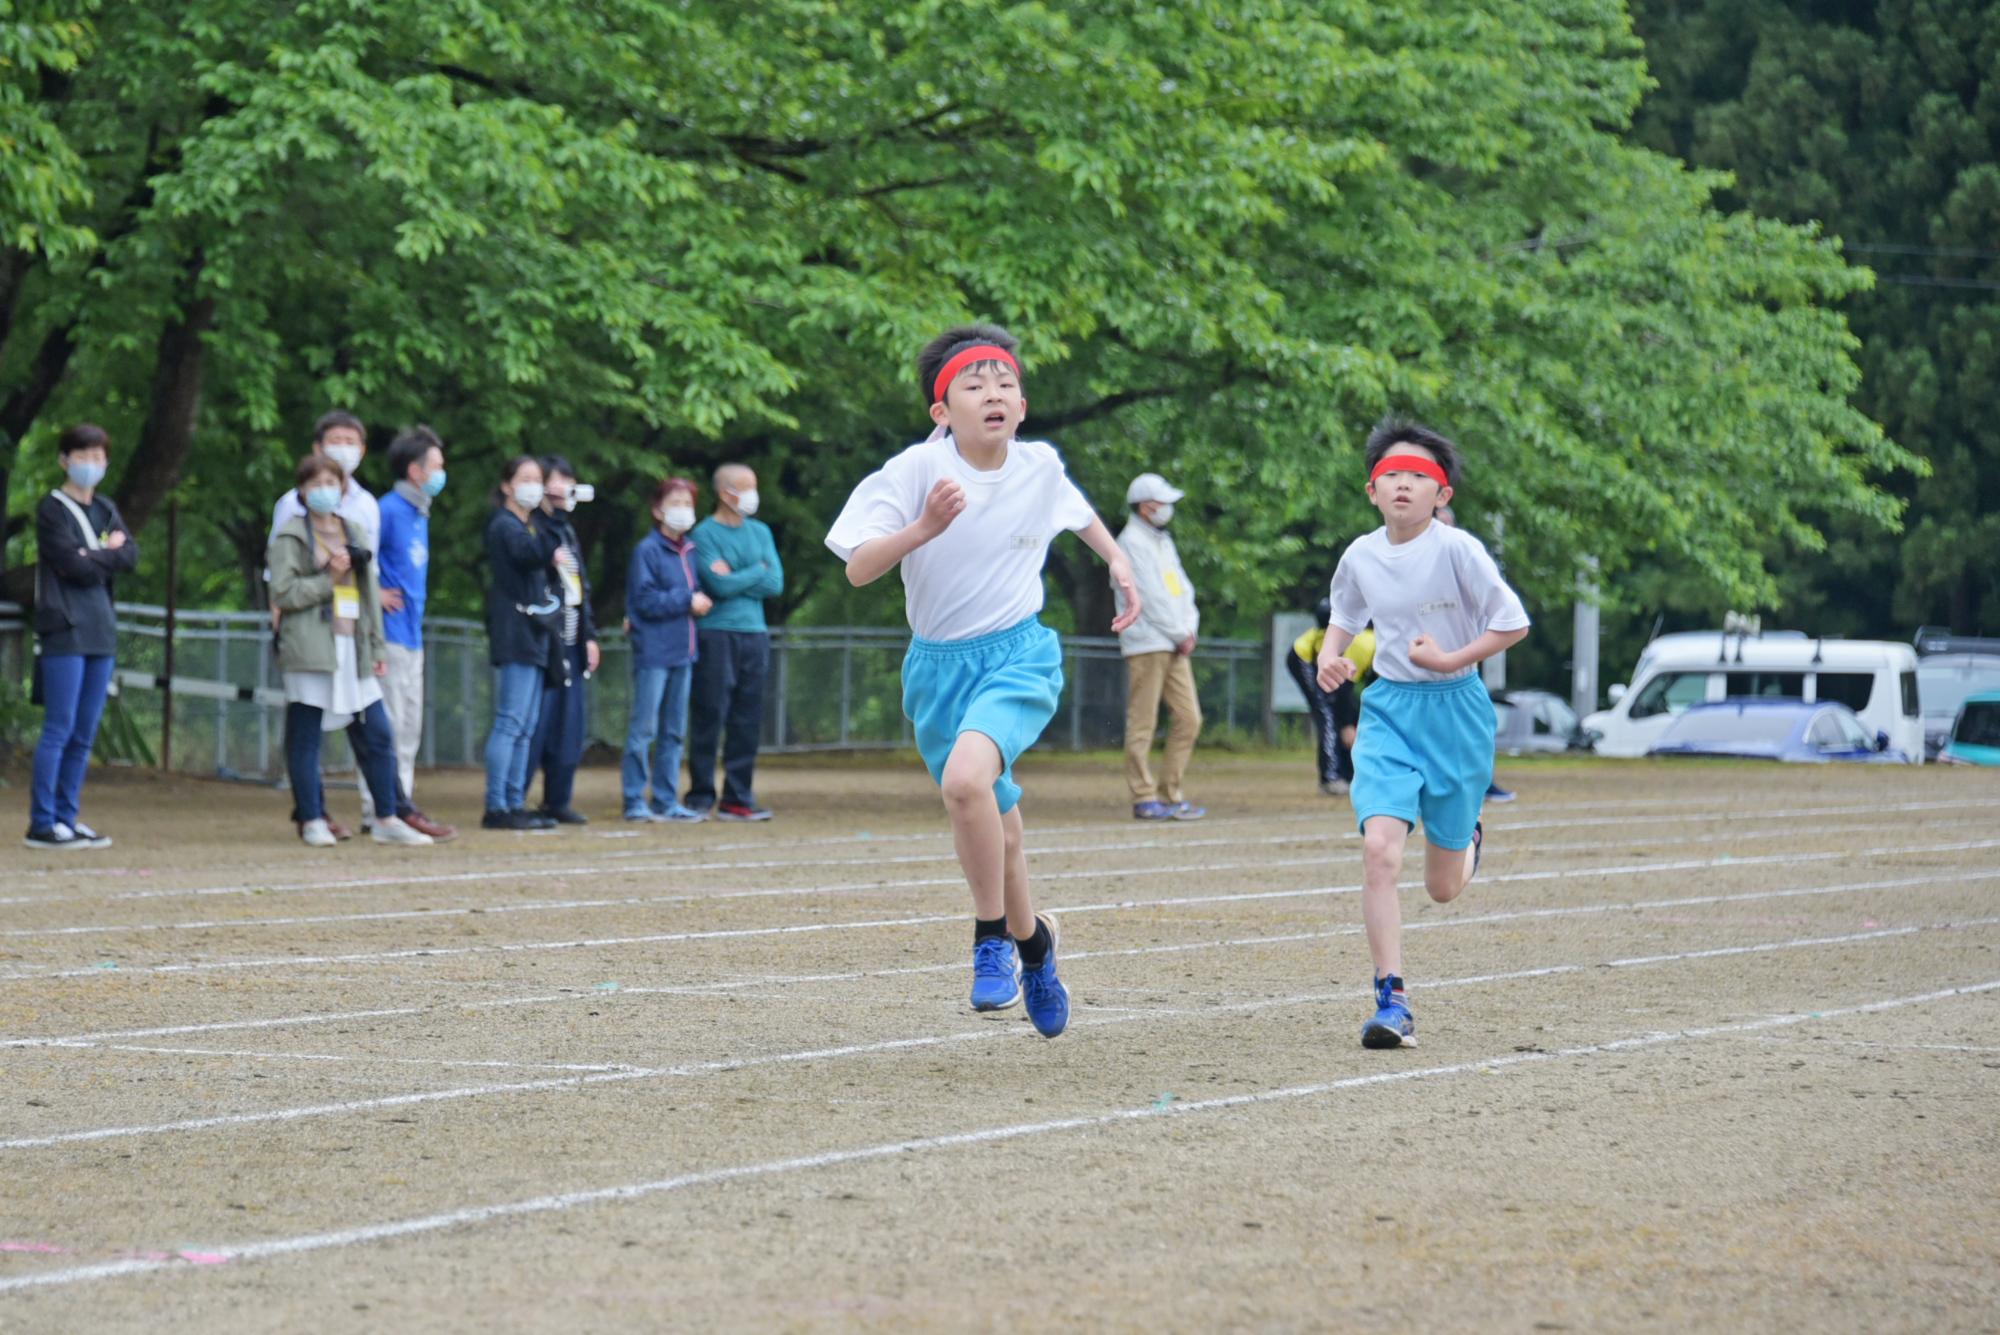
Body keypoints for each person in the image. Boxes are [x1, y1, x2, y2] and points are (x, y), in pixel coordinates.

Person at [825, 323, 1143, 1039]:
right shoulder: (912, 472)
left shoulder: (1040, 467)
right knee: (1002, 829)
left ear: (1022, 406)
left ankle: (990, 937)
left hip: (1019, 656)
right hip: (937, 670)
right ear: (942, 412)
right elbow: (857, 566)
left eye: (1005, 384)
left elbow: (1082, 514)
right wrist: (922, 529)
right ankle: (1037, 948)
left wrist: (1119, 562)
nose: (992, 394)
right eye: (974, 385)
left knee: (966, 781)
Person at [1317, 418, 1529, 1049]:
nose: (1403, 485)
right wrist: (1334, 655)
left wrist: (1449, 658)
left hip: (1457, 712)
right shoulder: (1360, 554)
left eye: (1420, 477)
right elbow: (1346, 616)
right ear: (1371, 491)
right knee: (1380, 849)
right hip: (1388, 712)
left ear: (1443, 496)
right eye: (1391, 476)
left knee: (1441, 889)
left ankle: (1467, 838)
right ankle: (1392, 1000)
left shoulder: (1458, 550)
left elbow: (1512, 623)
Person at [270, 412, 450, 843]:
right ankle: (312, 817)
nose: (326, 492)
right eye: (316, 485)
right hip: (311, 640)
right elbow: (282, 589)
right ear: (302, 489)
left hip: (354, 641)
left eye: (332, 485)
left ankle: (388, 816)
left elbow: (369, 590)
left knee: (378, 732)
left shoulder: (359, 519)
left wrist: (376, 645)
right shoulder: (290, 528)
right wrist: (324, 581)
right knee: (307, 731)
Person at [25, 423, 137, 850]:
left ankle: (67, 818)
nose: (90, 464)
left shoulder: (105, 507)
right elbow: (74, 566)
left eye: (97, 457)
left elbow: (131, 554)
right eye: (82, 455)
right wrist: (104, 554)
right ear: (64, 459)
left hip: (100, 631)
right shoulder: (52, 508)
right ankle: (42, 822)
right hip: (64, 628)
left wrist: (98, 555)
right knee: (59, 726)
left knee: (85, 730)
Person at [686, 462, 783, 821]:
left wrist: (744, 574)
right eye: (745, 487)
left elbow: (775, 583)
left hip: (754, 635)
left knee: (747, 718)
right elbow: (717, 586)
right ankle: (699, 795)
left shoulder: (761, 532)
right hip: (716, 634)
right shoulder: (705, 534)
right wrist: (756, 571)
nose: (752, 495)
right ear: (725, 493)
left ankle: (737, 797)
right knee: (709, 713)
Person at [374, 425, 457, 840]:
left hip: (411, 635)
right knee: (387, 726)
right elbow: (358, 559)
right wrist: (373, 593)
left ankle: (400, 805)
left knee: (409, 728)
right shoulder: (387, 510)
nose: (443, 473)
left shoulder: (419, 512)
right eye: (437, 466)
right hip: (388, 635)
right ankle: (381, 810)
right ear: (415, 470)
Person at [1114, 472, 1205, 821]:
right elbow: (1148, 597)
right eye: (1163, 502)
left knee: (1189, 718)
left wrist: (1188, 627)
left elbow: (1183, 588)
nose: (1168, 508)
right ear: (1146, 505)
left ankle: (1171, 792)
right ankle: (1143, 794)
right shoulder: (1130, 543)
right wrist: (1179, 632)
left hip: (1175, 639)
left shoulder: (1162, 541)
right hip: (1147, 641)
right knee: (1143, 720)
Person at [482, 456, 564, 831]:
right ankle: (496, 805)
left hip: (534, 630)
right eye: (526, 479)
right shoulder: (504, 525)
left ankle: (515, 800)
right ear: (506, 485)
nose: (534, 485)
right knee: (511, 720)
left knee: (527, 724)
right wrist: (553, 517)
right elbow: (530, 556)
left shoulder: (530, 526)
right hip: (514, 629)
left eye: (538, 479)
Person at [623, 477, 711, 822]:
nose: (683, 510)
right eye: (675, 502)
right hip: (654, 652)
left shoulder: (688, 550)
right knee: (643, 730)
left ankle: (665, 800)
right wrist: (687, 600)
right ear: (658, 510)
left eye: (688, 503)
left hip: (683, 651)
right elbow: (644, 600)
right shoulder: (647, 550)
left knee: (674, 732)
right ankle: (634, 800)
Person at [524, 457, 601, 825]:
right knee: (538, 722)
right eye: (561, 482)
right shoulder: (536, 528)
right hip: (547, 639)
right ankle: (515, 796)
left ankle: (558, 798)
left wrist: (589, 636)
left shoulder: (567, 531)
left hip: (572, 639)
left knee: (569, 724)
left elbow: (579, 587)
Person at [1434, 502, 1517, 803]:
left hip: (1459, 666)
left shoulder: (1464, 556)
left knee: (1472, 731)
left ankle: (1482, 783)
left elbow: (1509, 619)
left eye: (1447, 523)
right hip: (1419, 670)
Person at [1287, 600, 1375, 796]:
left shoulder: (1373, 645)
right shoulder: (1365, 645)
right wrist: (1346, 725)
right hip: (1303, 659)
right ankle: (1330, 778)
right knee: (1326, 713)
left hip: (1324, 665)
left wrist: (1351, 721)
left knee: (1340, 714)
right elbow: (1343, 690)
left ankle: (1347, 775)